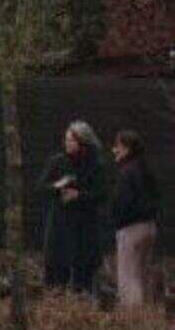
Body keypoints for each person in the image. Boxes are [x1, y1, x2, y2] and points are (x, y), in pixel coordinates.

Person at [42, 121, 111, 297]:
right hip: (60, 226)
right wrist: (58, 188)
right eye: (66, 139)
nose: (67, 143)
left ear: (83, 142)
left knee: (83, 277)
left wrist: (79, 195)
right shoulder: (57, 162)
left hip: (85, 227)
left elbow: (102, 194)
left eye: (71, 140)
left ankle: (81, 306)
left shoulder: (96, 165)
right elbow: (42, 187)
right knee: (56, 274)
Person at [112, 130, 160, 313]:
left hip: (130, 228)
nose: (114, 150)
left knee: (128, 277)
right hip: (149, 226)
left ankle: (133, 322)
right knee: (142, 275)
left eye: (117, 146)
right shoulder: (146, 169)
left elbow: (123, 201)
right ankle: (148, 321)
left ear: (126, 148)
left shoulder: (127, 171)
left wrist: (117, 220)